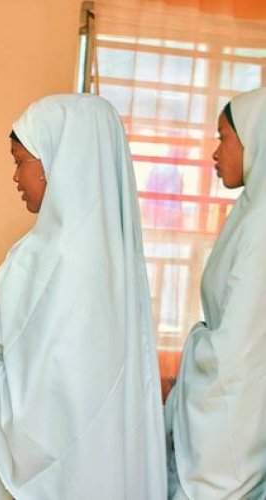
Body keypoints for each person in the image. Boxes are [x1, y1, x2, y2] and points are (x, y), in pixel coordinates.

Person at [0, 94, 167, 499]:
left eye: (19, 161)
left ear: (57, 162)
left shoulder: (50, 260)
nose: (15, 177)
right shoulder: (117, 266)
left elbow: (42, 404)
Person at [165, 88, 266, 498]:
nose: (214, 153)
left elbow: (240, 346)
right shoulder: (248, 213)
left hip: (236, 421)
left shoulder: (261, 228)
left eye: (223, 138)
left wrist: (197, 355)